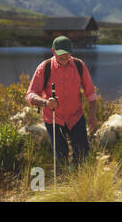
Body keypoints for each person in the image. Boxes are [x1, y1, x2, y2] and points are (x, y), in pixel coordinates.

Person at [25, 35, 97, 170]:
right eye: (60, 56)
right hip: (54, 119)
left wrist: (92, 115)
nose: (64, 58)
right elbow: (30, 95)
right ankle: (62, 183)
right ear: (53, 52)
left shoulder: (79, 65)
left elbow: (90, 93)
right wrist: (45, 102)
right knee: (61, 155)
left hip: (76, 116)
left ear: (71, 52)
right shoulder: (44, 67)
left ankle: (75, 178)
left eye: (67, 55)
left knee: (83, 151)